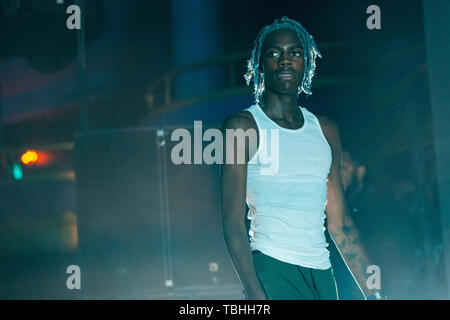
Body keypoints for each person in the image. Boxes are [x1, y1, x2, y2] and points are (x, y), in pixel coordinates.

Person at [220, 16, 385, 300]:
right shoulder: (243, 127)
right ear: (260, 64)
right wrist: (257, 294)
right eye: (275, 53)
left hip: (321, 274)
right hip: (273, 268)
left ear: (306, 64)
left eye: (295, 53)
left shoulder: (326, 130)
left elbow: (340, 222)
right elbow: (232, 222)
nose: (285, 60)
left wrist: (376, 294)